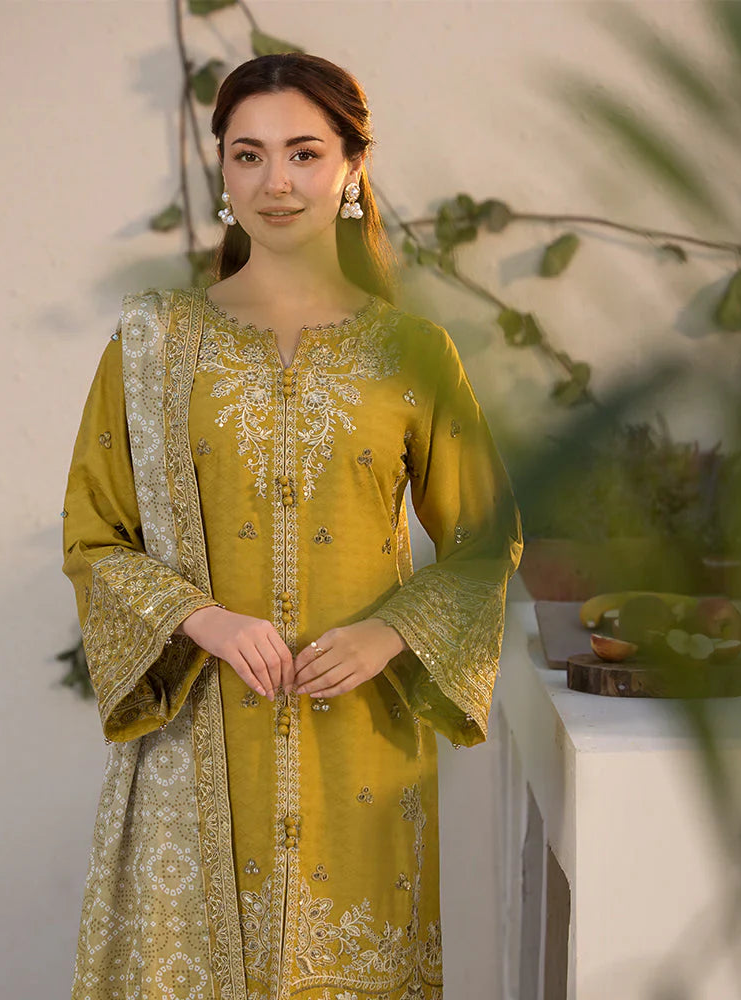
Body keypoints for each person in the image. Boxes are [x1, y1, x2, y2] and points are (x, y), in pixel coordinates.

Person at [61, 52, 523, 1000]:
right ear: (223, 172)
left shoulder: (412, 351)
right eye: (250, 155)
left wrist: (391, 631)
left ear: (352, 167)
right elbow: (95, 537)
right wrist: (203, 620)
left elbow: (486, 539)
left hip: (361, 744)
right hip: (199, 738)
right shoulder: (153, 341)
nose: (277, 181)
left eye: (305, 153)